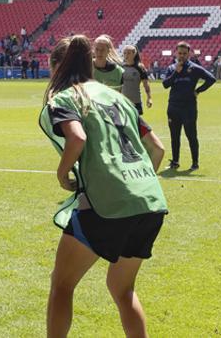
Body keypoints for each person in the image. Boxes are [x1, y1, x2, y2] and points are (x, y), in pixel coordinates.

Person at [40, 35, 168, 338]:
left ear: (57, 67)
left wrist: (61, 176)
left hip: (108, 205)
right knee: (122, 288)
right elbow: (158, 149)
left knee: (62, 283)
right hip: (150, 201)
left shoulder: (65, 98)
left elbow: (77, 138)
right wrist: (135, 182)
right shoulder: (118, 97)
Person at [161, 42, 215, 170]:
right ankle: (175, 162)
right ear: (176, 53)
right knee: (174, 136)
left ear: (189, 54)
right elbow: (165, 84)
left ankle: (195, 163)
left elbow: (211, 79)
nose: (182, 56)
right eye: (180, 53)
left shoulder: (194, 68)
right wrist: (175, 72)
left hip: (188, 108)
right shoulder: (171, 68)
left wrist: (198, 90)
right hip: (173, 107)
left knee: (191, 135)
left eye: (185, 53)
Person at [119, 45, 152, 115]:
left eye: (128, 53)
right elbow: (118, 85)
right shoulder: (120, 67)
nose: (126, 55)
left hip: (136, 101)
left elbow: (146, 84)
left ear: (134, 54)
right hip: (123, 101)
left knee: (137, 124)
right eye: (124, 53)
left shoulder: (140, 67)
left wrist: (149, 98)